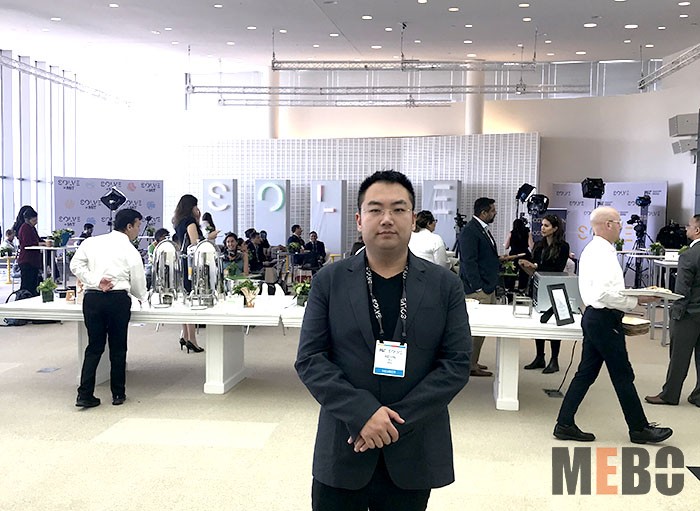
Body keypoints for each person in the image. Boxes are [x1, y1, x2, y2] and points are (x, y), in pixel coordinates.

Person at [295, 170, 471, 511]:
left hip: (413, 448)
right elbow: (311, 359)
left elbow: (456, 365)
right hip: (345, 443)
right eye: (375, 209)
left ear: (413, 219)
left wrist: (390, 422)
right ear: (359, 220)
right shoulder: (329, 281)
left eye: (399, 209)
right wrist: (363, 414)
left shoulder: (444, 285)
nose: (387, 219)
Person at [554, 206, 673, 444]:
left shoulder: (594, 249)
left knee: (586, 373)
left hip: (596, 318)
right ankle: (639, 428)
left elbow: (607, 291)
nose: (621, 226)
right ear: (608, 224)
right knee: (622, 374)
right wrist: (637, 300)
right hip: (604, 319)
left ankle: (564, 423)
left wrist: (633, 297)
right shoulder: (602, 253)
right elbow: (605, 294)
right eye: (619, 222)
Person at [70, 208, 148, 408]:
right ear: (129, 226)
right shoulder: (129, 249)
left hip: (93, 298)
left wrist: (95, 280)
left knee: (94, 346)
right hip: (118, 299)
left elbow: (75, 265)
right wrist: (142, 298)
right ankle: (118, 394)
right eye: (138, 225)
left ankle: (84, 394)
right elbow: (137, 279)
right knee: (118, 347)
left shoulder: (92, 242)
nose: (138, 230)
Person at [645, 214, 700, 407]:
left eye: (689, 226)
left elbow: (682, 289)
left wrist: (675, 313)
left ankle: (670, 394)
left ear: (697, 230)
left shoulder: (689, 255)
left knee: (679, 357)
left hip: (688, 314)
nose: (686, 229)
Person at [518, 214, 570, 373]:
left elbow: (558, 269)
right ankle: (540, 356)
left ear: (555, 228)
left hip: (555, 288)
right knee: (539, 322)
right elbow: (534, 268)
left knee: (554, 323)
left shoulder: (563, 246)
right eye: (542, 225)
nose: (542, 228)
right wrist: (527, 266)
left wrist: (535, 267)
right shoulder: (538, 245)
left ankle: (554, 360)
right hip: (538, 286)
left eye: (546, 225)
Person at [458, 197, 502, 377]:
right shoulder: (470, 231)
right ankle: (469, 365)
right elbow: (468, 262)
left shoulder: (482, 230)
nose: (495, 213)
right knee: (474, 331)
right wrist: (478, 288)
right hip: (478, 290)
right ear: (483, 213)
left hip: (487, 286)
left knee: (482, 331)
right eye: (492, 210)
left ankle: (473, 362)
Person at [173, 194, 216, 354]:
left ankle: (185, 335)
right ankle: (191, 338)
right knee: (191, 298)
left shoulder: (178, 221)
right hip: (191, 264)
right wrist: (209, 237)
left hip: (182, 262)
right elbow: (195, 244)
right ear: (191, 206)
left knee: (185, 298)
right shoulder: (190, 222)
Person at [16, 207, 44, 296]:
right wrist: (41, 244)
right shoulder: (25, 228)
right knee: (27, 285)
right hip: (27, 260)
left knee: (33, 284)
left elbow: (38, 239)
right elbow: (27, 243)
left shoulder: (32, 228)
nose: (36, 222)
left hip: (33, 261)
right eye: (34, 220)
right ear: (29, 219)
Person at [504, 216, 533, 290]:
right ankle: (522, 289)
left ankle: (509, 289)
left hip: (513, 256)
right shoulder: (527, 232)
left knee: (511, 273)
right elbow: (531, 246)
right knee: (524, 274)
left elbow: (506, 246)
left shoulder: (511, 233)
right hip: (525, 255)